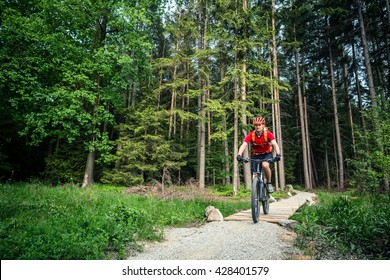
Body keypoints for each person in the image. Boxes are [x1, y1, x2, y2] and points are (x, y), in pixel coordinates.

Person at [236, 116, 281, 193]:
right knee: (255, 174)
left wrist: (278, 154)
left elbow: (275, 144)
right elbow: (244, 144)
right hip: (256, 155)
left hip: (267, 153)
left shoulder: (268, 134)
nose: (258, 127)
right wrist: (239, 154)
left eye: (259, 125)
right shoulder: (251, 135)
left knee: (265, 165)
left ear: (263, 125)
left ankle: (269, 183)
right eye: (256, 125)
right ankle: (256, 192)